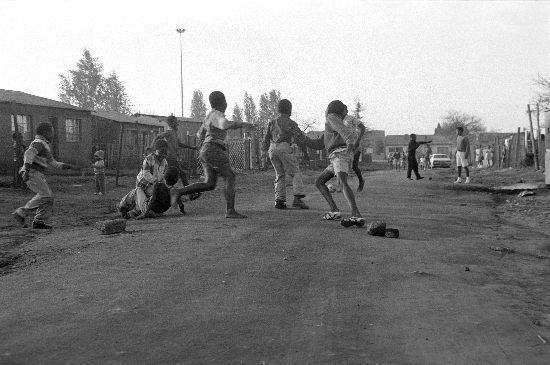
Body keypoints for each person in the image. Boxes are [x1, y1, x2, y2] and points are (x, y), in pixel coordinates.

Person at [170, 91, 255, 218]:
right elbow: (224, 124)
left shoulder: (209, 116)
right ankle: (230, 210)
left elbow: (200, 134)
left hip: (206, 150)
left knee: (209, 183)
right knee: (230, 176)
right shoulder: (216, 115)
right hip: (214, 149)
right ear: (223, 102)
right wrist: (243, 124)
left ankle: (178, 191)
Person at [12, 122, 79, 229]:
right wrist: (26, 171)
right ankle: (21, 213)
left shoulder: (44, 145)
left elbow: (54, 163)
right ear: (45, 133)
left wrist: (70, 166)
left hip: (36, 173)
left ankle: (39, 221)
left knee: (48, 198)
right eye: (52, 132)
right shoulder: (39, 142)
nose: (53, 135)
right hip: (32, 173)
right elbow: (28, 154)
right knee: (46, 195)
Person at [315, 100, 364, 227]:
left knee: (342, 183)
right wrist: (302, 140)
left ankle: (356, 214)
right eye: (344, 111)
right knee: (319, 182)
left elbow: (345, 132)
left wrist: (349, 141)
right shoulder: (332, 124)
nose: (345, 114)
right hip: (336, 156)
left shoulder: (331, 117)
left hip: (340, 154)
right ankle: (334, 210)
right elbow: (319, 143)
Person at [262, 99, 311, 209]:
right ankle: (297, 199)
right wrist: (305, 153)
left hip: (272, 148)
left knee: (279, 174)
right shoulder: (291, 123)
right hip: (284, 147)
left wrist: (264, 154)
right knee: (296, 172)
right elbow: (301, 139)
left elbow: (266, 139)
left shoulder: (272, 122)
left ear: (278, 109)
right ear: (290, 110)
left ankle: (279, 200)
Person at [118, 166, 186, 219]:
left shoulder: (158, 185)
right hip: (159, 213)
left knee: (138, 190)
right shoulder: (175, 190)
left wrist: (144, 215)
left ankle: (122, 206)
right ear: (176, 180)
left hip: (149, 212)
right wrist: (182, 211)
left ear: (164, 176)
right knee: (145, 196)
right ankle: (133, 213)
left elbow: (152, 200)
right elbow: (181, 205)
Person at [152, 114, 197, 187]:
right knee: (182, 174)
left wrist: (192, 147)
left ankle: (165, 190)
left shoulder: (174, 133)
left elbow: (179, 144)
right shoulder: (169, 132)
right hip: (169, 157)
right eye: (176, 122)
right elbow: (158, 136)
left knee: (171, 174)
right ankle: (189, 193)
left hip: (173, 157)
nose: (177, 124)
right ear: (171, 123)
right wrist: (152, 147)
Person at [133, 139, 169, 217]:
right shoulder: (148, 159)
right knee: (141, 196)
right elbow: (146, 174)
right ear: (155, 150)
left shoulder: (165, 162)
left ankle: (150, 210)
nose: (163, 155)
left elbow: (163, 176)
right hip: (142, 184)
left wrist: (164, 186)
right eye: (161, 152)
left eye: (165, 153)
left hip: (154, 184)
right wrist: (155, 181)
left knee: (156, 195)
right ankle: (141, 211)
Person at [343, 112, 366, 192]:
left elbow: (362, 127)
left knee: (354, 165)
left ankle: (361, 181)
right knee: (342, 164)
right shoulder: (338, 121)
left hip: (355, 145)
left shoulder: (350, 118)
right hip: (344, 146)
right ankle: (343, 186)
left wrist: (358, 140)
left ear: (345, 110)